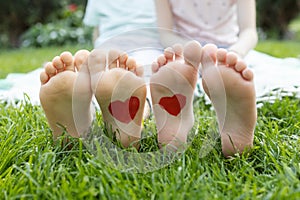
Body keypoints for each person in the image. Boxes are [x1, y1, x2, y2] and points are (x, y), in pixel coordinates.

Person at [39, 40, 257, 157]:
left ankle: (79, 128)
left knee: (135, 91)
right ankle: (166, 121)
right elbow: (250, 32)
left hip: (114, 47)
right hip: (149, 51)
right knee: (137, 88)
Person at [155, 0, 258, 58]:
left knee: (228, 71)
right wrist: (194, 54)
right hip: (185, 48)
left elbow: (249, 31)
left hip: (227, 48)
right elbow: (165, 34)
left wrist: (235, 53)